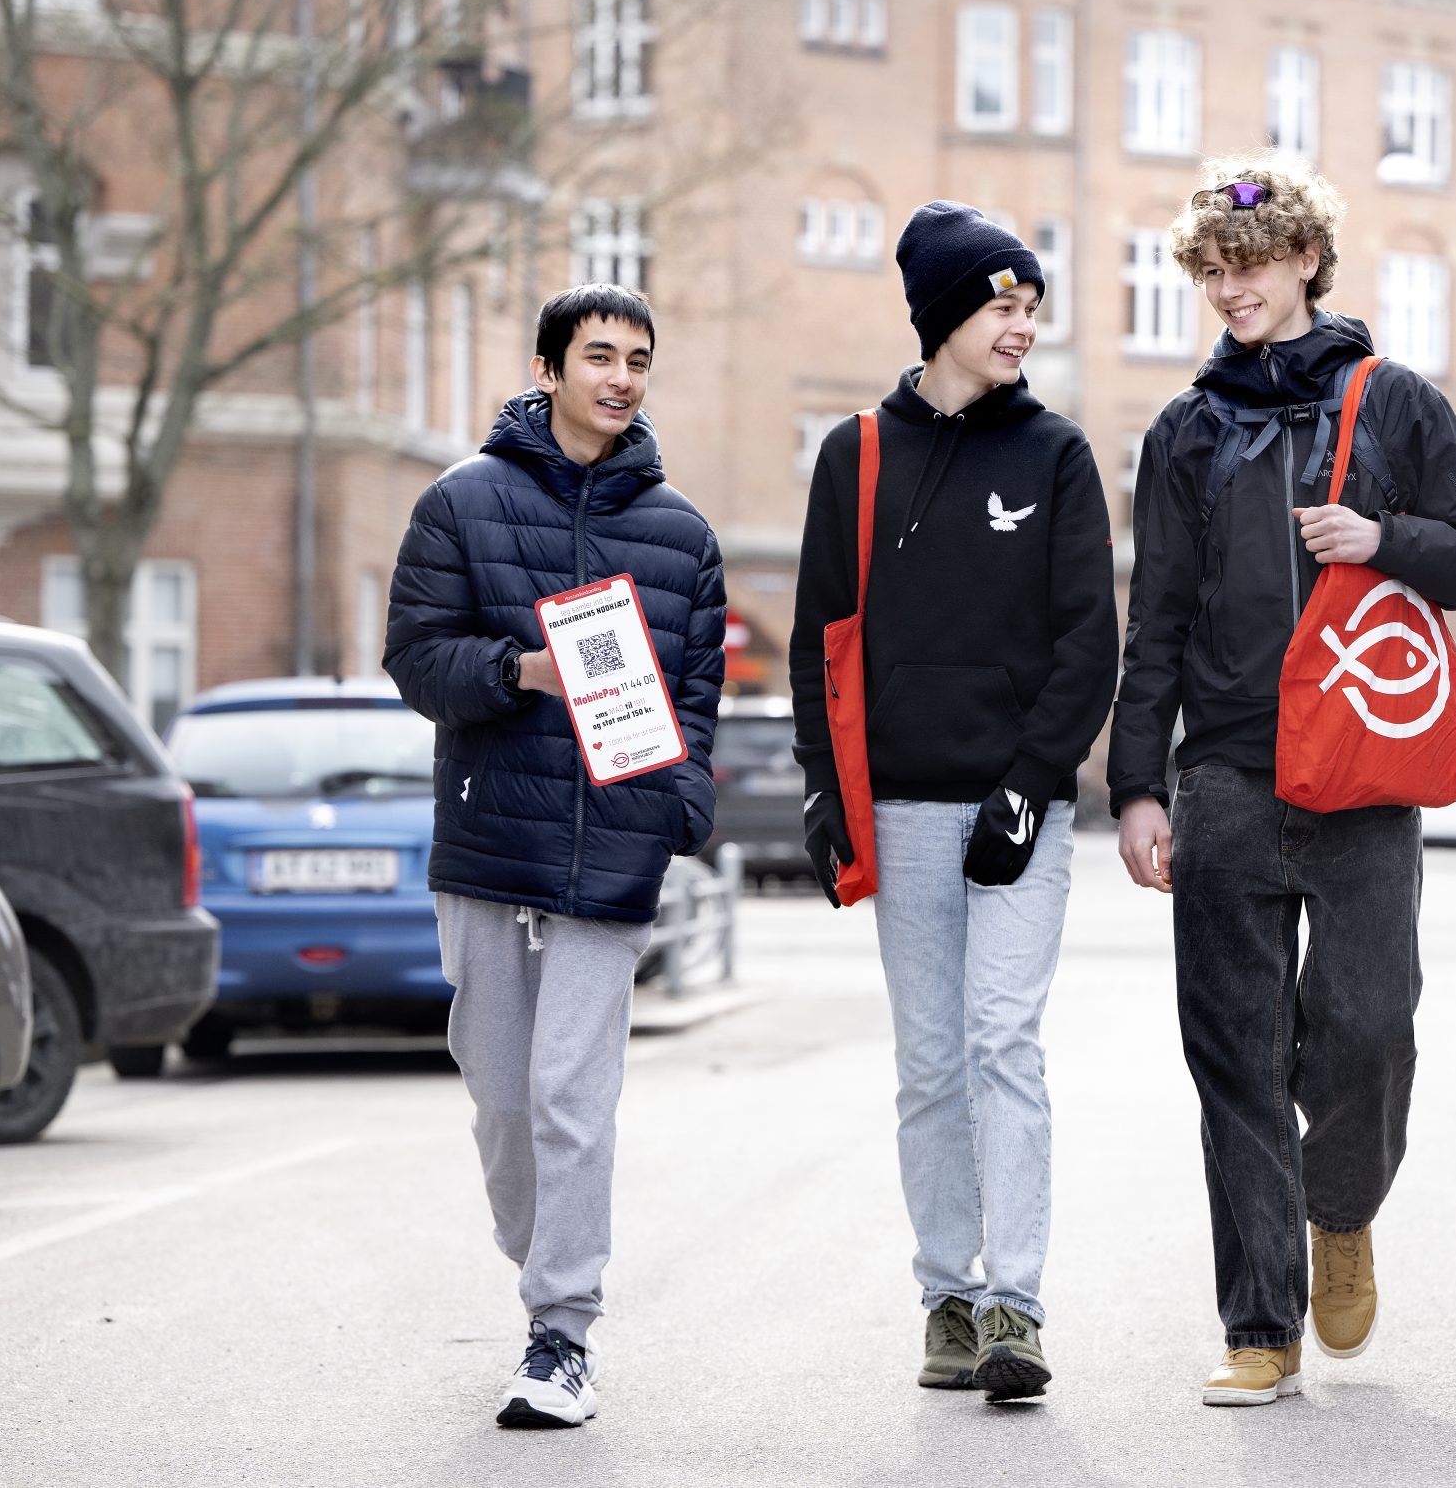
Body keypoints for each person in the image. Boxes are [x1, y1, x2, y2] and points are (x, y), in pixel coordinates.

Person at [1107, 156, 1456, 1406]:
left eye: (1247, 264)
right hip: (1227, 772)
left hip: (1358, 770)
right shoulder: (1184, 431)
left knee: (1368, 1025)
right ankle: (1256, 1325)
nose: (1227, 288)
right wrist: (1137, 785)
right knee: (1233, 1051)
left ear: (1303, 262)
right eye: (1209, 270)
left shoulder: (1393, 405)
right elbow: (1157, 620)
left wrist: (1382, 538)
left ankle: (1339, 1210)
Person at [789, 202, 1117, 1403]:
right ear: (942, 315)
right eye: (1001, 304)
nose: (1021, 324)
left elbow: (1089, 641)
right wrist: (826, 791)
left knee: (1000, 1045)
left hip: (1011, 809)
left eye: (1032, 305)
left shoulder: (1056, 455)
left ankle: (1015, 1309)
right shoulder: (854, 458)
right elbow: (818, 637)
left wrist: (1032, 787)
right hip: (900, 809)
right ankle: (945, 1295)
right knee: (929, 1063)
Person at [383, 284, 726, 1429]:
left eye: (637, 359)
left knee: (572, 1095)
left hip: (613, 846)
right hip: (489, 837)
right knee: (502, 1097)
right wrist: (517, 672)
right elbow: (416, 660)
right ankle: (543, 1262)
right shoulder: (459, 504)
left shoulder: (681, 535)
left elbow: (694, 695)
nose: (620, 377)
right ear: (547, 368)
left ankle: (559, 1333)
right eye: (597, 356)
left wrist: (679, 803)